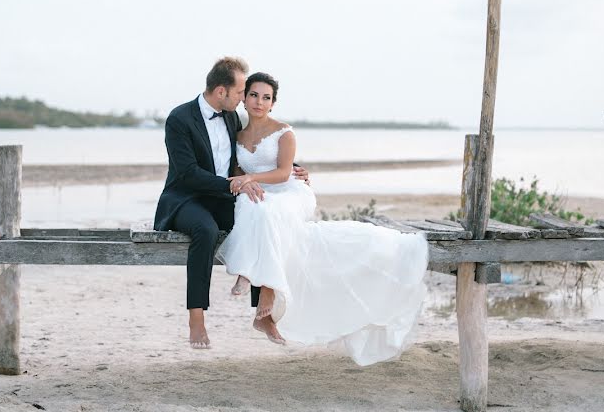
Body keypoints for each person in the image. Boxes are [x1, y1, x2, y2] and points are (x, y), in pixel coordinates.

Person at [217, 72, 428, 365]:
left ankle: (265, 290)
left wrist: (250, 177)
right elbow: (237, 170)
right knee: (251, 205)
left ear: (273, 104)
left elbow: (282, 173)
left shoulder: (284, 132)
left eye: (266, 97)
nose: (259, 102)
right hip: (261, 193)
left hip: (289, 191)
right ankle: (255, 281)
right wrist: (243, 179)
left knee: (266, 209)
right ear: (244, 98)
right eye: (254, 95)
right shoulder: (237, 135)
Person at [154, 57, 309, 349]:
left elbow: (249, 153)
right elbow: (187, 174)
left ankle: (261, 306)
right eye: (241, 92)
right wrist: (234, 184)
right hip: (186, 198)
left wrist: (293, 169)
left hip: (224, 196)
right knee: (205, 231)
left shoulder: (230, 117)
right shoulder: (179, 119)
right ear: (222, 92)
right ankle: (196, 318)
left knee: (264, 215)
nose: (244, 99)